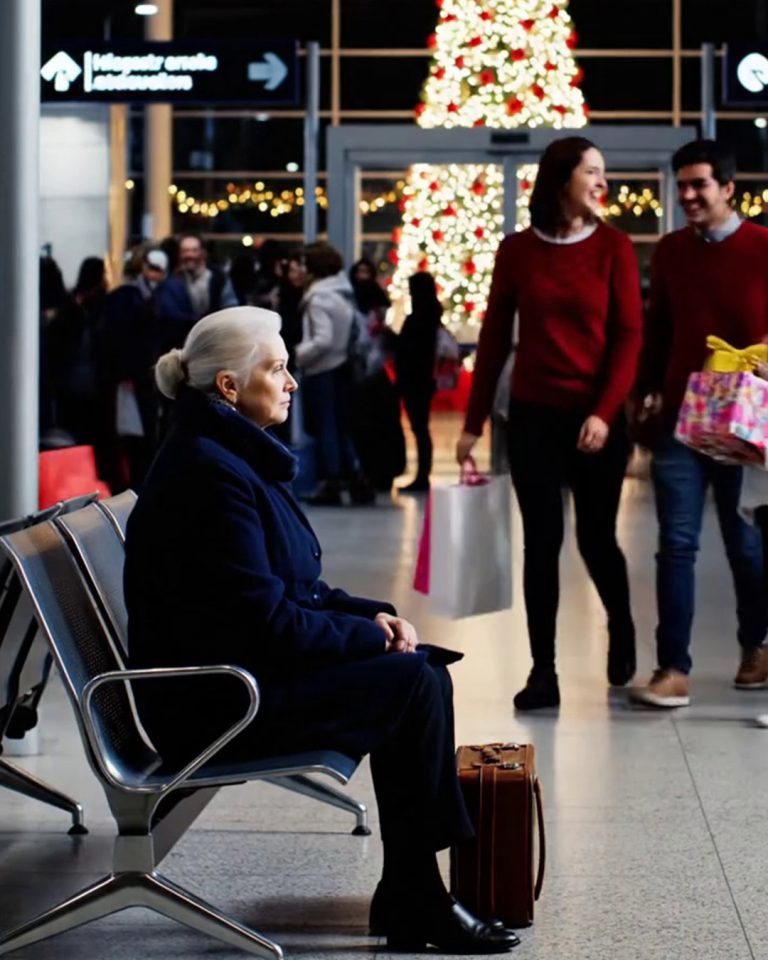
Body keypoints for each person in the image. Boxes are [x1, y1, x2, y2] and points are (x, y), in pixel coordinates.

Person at [123, 307, 519, 954]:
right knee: (412, 684)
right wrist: (369, 638)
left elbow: (288, 592)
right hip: (214, 701)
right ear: (229, 386)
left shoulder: (228, 453)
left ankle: (412, 889)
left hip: (234, 675)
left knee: (420, 672)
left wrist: (369, 617)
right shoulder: (210, 473)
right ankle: (417, 895)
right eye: (277, 369)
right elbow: (267, 621)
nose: (292, 382)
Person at [456, 136, 643, 711]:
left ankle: (622, 625)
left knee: (596, 539)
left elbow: (628, 337)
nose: (602, 182)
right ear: (562, 180)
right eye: (592, 171)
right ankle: (544, 672)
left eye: (603, 172)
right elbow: (493, 339)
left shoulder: (614, 246)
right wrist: (473, 422)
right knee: (541, 544)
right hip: (534, 418)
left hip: (597, 419)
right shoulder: (517, 250)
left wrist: (604, 412)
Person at [633, 139, 768, 708]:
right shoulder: (670, 251)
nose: (687, 195)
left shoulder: (762, 246)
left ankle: (756, 647)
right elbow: (658, 327)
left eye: (699, 185)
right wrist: (644, 390)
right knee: (676, 544)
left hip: (743, 418)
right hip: (682, 417)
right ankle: (672, 668)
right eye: (682, 185)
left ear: (728, 188)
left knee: (746, 543)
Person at [295, 242, 373, 505]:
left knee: (324, 428)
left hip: (321, 369)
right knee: (340, 427)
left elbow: (323, 339)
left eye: (304, 265)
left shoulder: (318, 298)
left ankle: (330, 482)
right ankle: (355, 479)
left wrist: (299, 354)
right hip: (342, 367)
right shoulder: (342, 294)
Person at [100, 247, 169, 491]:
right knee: (137, 437)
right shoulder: (133, 297)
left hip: (139, 376)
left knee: (138, 436)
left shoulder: (140, 296)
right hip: (137, 377)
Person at [395, 272, 441, 492]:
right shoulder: (431, 316)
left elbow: (409, 350)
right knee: (421, 428)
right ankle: (423, 474)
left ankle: (422, 476)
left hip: (415, 381)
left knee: (420, 428)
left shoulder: (418, 319)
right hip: (423, 380)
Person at [154, 232, 238, 350]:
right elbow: (170, 318)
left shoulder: (219, 279)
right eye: (185, 251)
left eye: (194, 250)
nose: (189, 255)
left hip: (215, 345)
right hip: (182, 347)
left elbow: (231, 309)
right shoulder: (171, 283)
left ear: (203, 253)